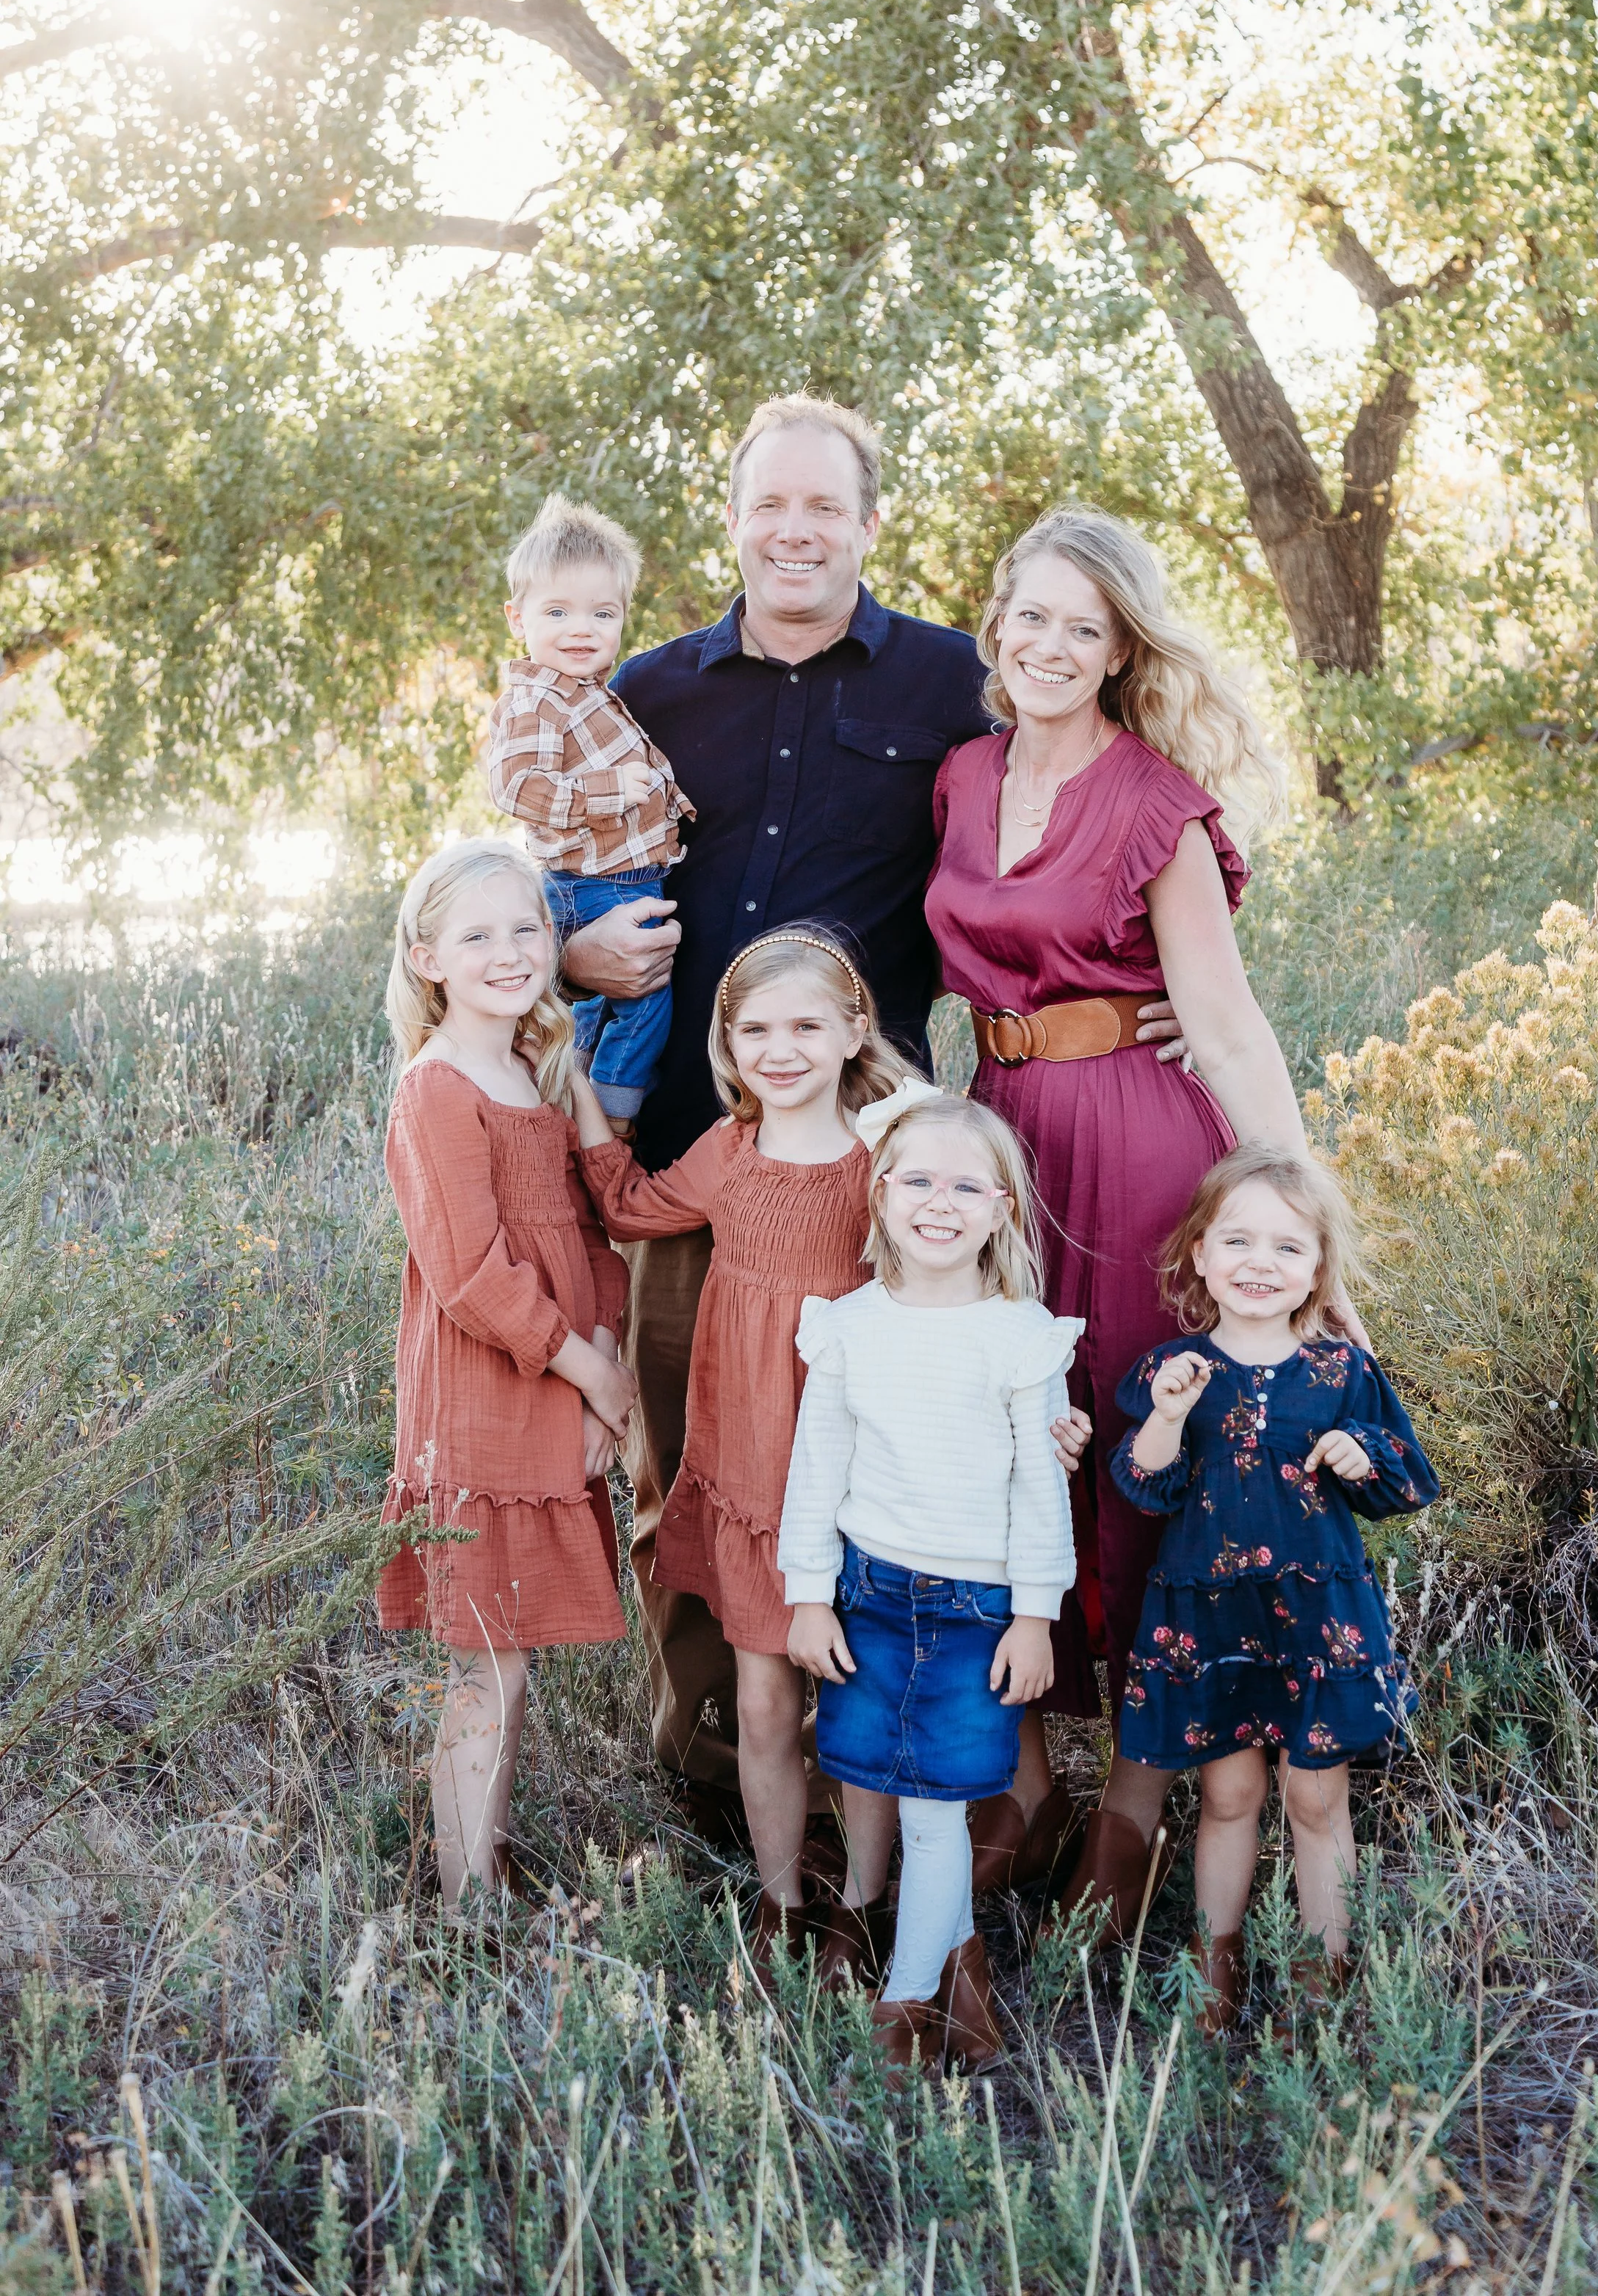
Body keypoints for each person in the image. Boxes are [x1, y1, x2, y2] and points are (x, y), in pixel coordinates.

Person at [560, 400, 1177, 1822]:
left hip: (878, 1189)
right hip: (684, 1161)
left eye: (823, 508)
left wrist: (1150, 985)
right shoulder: (641, 695)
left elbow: (1099, 797)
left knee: (878, 1488)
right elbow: (535, 873)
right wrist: (577, 959)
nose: (794, 531)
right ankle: (719, 1786)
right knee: (692, 1482)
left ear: (868, 523)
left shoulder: (955, 685)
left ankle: (888, 1797)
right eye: (769, 504)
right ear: (731, 515)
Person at [926, 504, 1331, 1948]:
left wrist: (1299, 1223)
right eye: (1028, 616)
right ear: (996, 624)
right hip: (997, 1145)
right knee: (993, 1453)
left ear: (1117, 652)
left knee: (1141, 1473)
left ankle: (1130, 1825)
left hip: (1142, 1148)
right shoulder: (959, 777)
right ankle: (1021, 1788)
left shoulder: (1154, 801)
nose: (1048, 645)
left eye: (1080, 629)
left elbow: (1220, 1026)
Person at [567, 926, 908, 1955]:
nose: (781, 1047)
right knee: (764, 1694)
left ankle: (862, 1898)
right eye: (754, 1028)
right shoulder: (728, 1152)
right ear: (727, 1041)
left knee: (859, 1695)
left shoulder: (889, 1150)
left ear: (856, 1028)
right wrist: (581, 1084)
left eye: (807, 1023)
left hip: (865, 1464)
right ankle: (781, 1897)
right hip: (759, 1462)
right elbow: (626, 1204)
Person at [780, 1084, 1078, 2071]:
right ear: (881, 1193)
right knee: (881, 1778)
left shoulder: (1021, 1334)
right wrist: (809, 1591)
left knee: (935, 1805)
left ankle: (905, 2002)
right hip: (870, 1595)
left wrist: (1036, 1616)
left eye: (966, 1183)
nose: (938, 1200)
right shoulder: (850, 1324)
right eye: (916, 1178)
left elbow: (1041, 1488)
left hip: (975, 1609)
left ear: (1001, 1207)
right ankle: (958, 1965)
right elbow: (817, 1466)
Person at [1111, 1145, 1438, 2032]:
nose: (1260, 1263)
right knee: (1228, 1796)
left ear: (1318, 1273)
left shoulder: (1342, 1374)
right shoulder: (1172, 1371)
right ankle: (1213, 1973)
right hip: (1210, 1619)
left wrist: (1360, 1455)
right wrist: (1171, 1417)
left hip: (1317, 1624)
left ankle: (1319, 1974)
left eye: (1287, 1249)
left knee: (1314, 1795)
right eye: (1239, 1242)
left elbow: (1406, 1486)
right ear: (1200, 1257)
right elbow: (1142, 1484)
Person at [376, 841, 638, 1909]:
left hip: (555, 1387)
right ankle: (463, 1901)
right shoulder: (437, 1087)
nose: (508, 952)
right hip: (486, 1403)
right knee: (489, 1665)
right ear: (428, 955)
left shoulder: (537, 1069)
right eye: (476, 935)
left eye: (526, 928)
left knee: (513, 1655)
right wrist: (593, 1376)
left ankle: (483, 1864)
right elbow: (471, 1276)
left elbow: (586, 1230)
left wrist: (606, 1352)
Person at [487, 495, 693, 1122]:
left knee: (601, 1005)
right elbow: (517, 788)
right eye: (558, 611)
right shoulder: (536, 702)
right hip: (596, 883)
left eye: (601, 613)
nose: (582, 629)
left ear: (624, 618)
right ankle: (611, 1117)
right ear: (516, 617)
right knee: (646, 1000)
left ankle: (571, 1104)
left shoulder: (589, 692)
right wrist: (608, 794)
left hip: (625, 878)